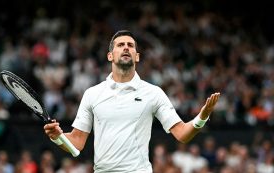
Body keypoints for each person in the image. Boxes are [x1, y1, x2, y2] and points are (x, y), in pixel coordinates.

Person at [44, 30, 220, 173]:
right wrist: (57, 137)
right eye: (120, 45)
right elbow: (76, 142)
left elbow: (182, 133)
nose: (126, 48)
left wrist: (202, 116)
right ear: (110, 56)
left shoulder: (153, 93)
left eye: (130, 45)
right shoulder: (92, 94)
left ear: (137, 56)